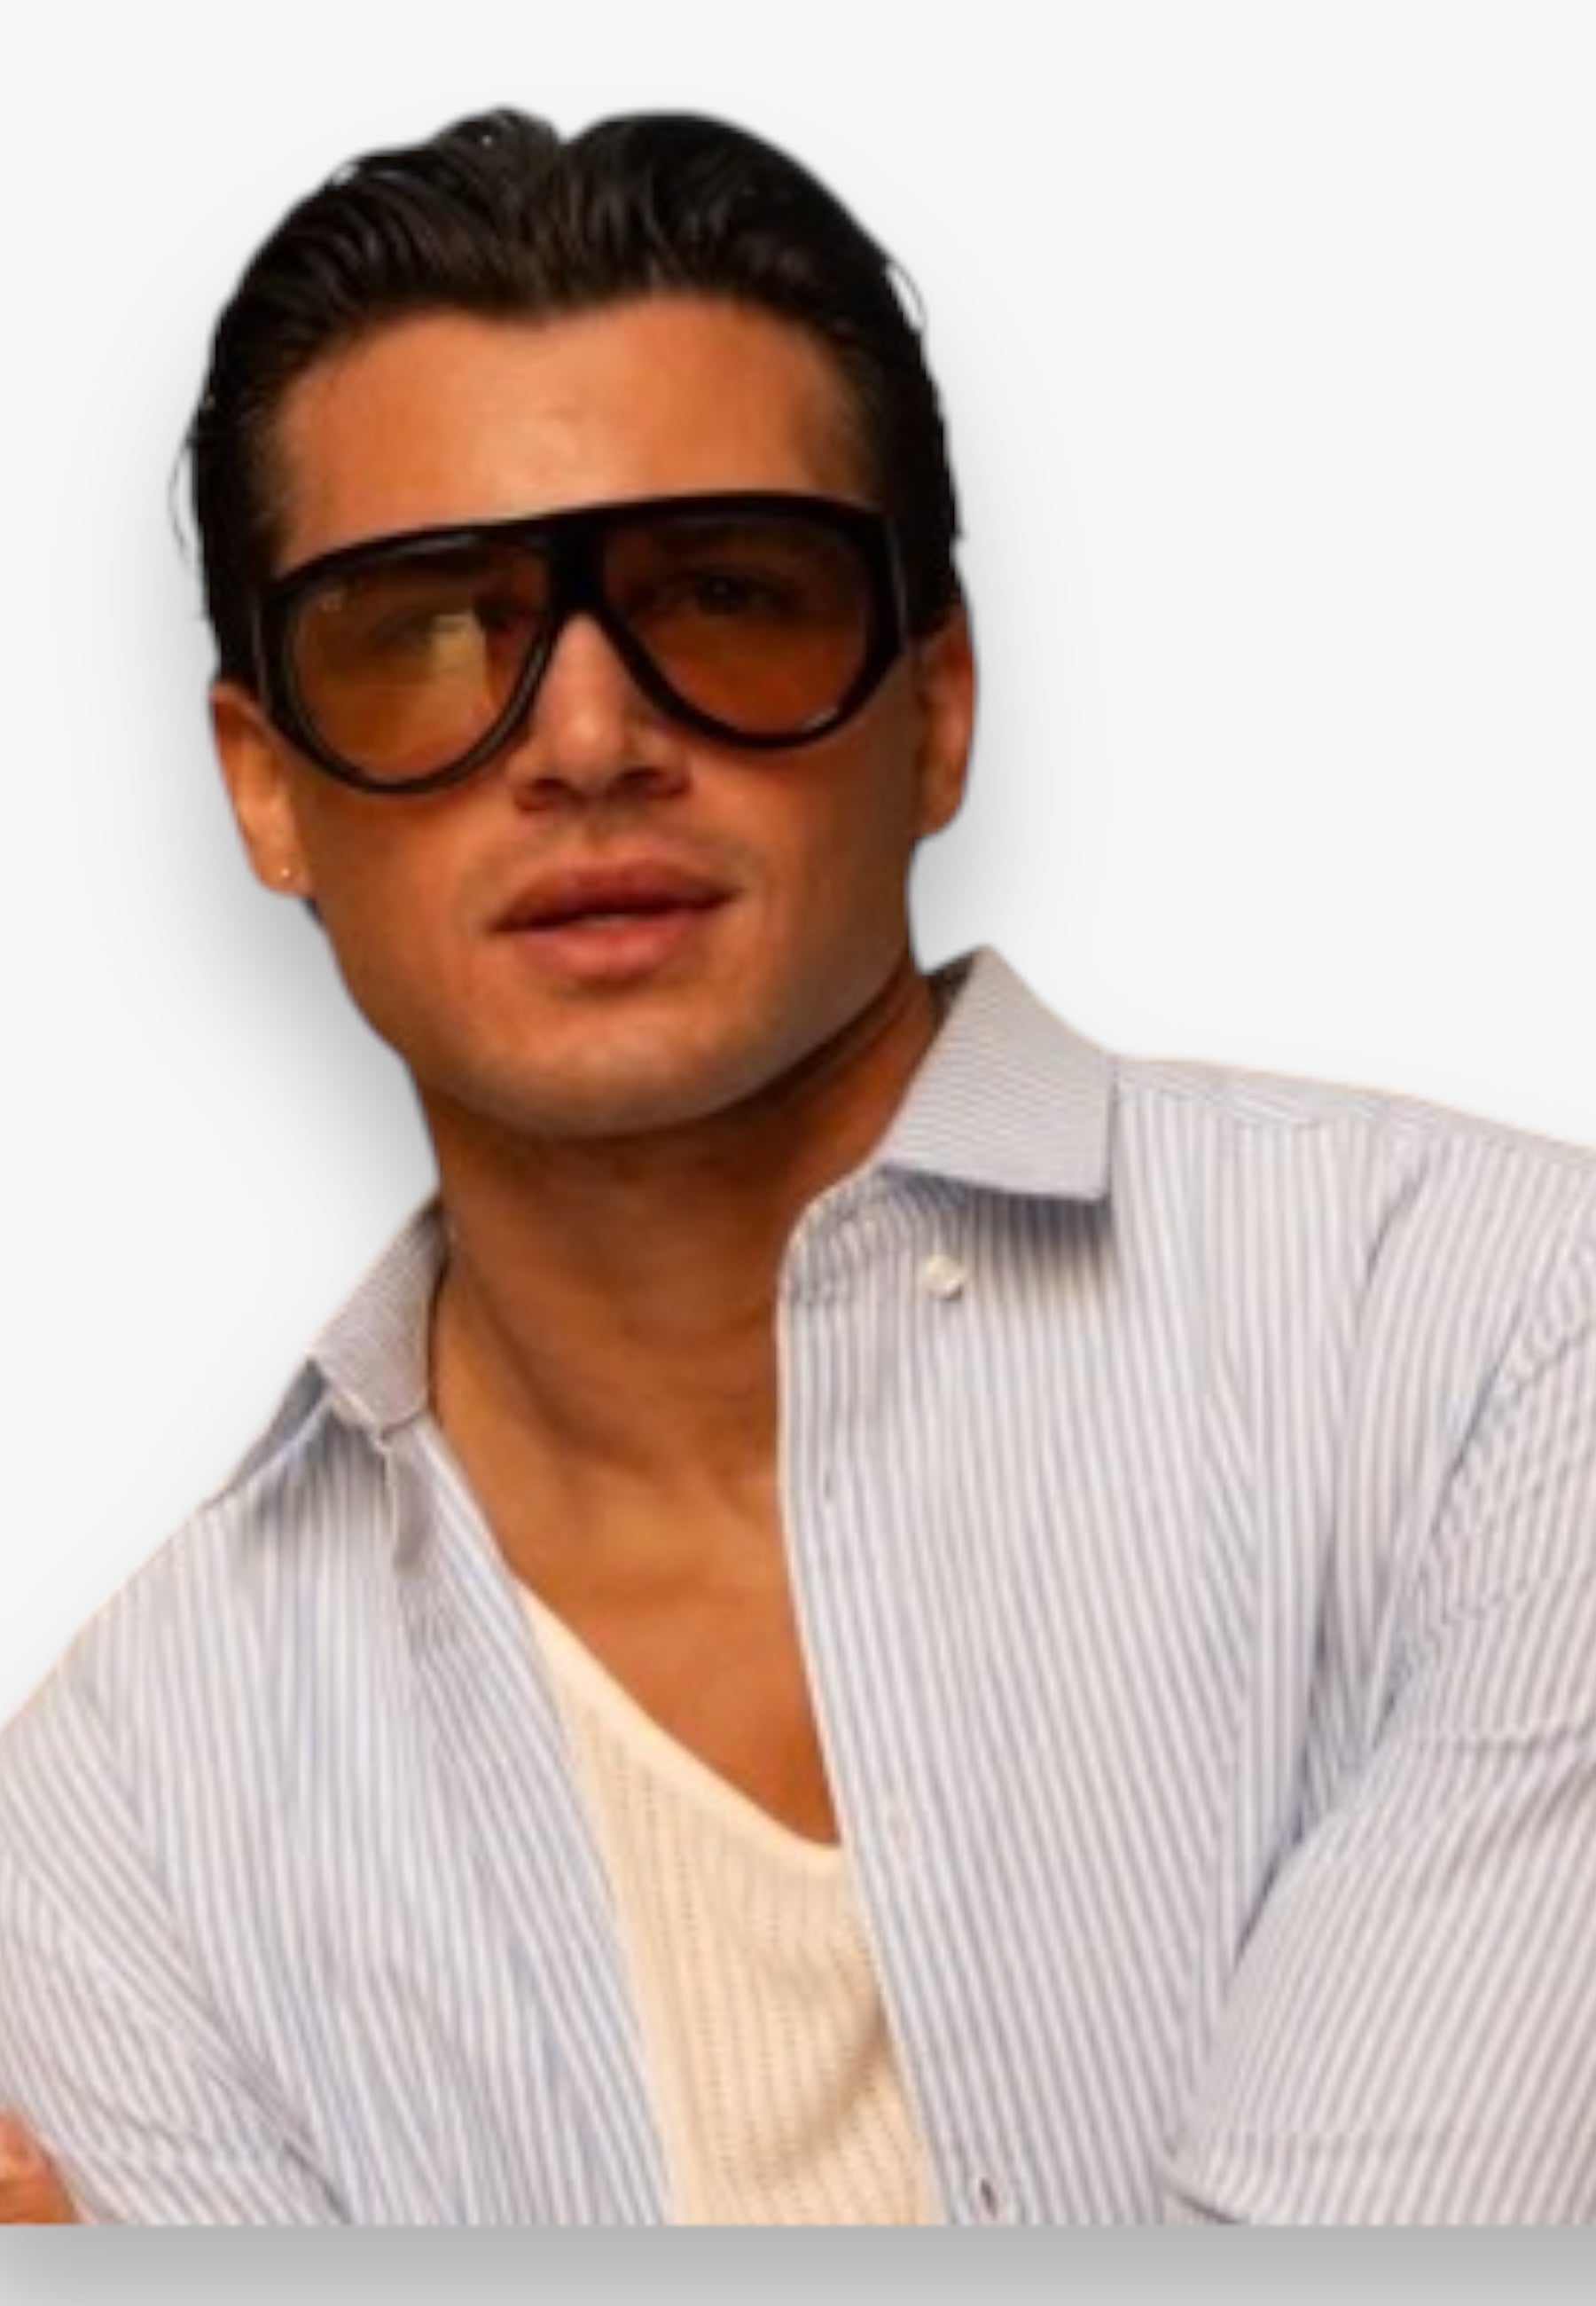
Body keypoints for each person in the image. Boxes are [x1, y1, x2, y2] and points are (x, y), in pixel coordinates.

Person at [3, 105, 1595, 2230]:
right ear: (266, 787)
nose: (586, 740)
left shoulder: (1506, 1350)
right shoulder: (118, 1817)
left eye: (728, 599)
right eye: (431, 631)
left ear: (936, 705)